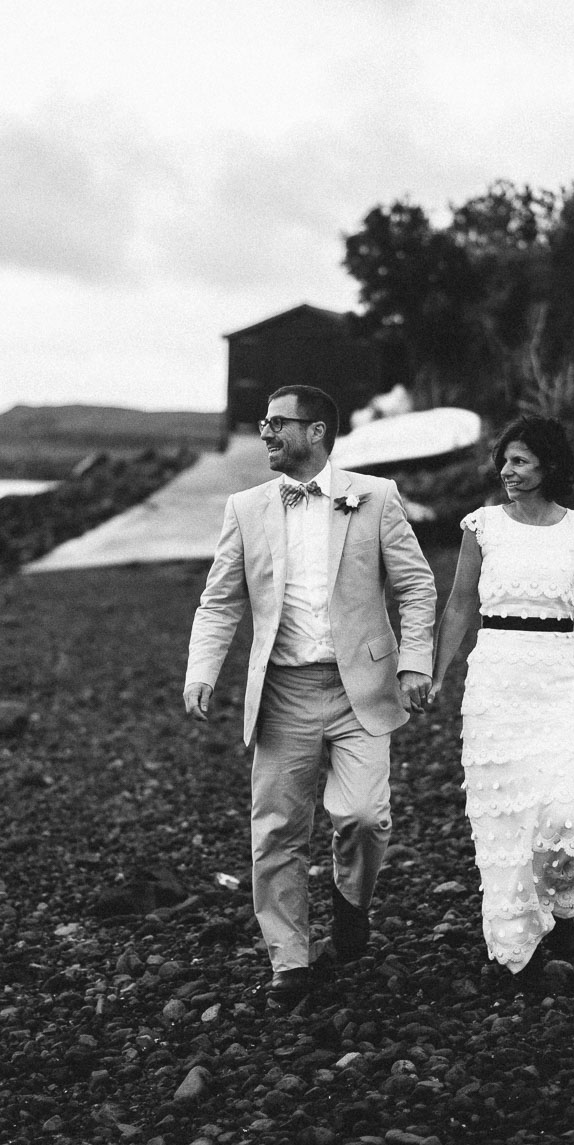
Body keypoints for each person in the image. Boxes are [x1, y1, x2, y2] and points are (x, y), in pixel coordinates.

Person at [183, 384, 437, 1003]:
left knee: (365, 817)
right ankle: (289, 960)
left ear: (316, 431)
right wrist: (202, 671)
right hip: (283, 692)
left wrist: (415, 662)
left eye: (277, 423)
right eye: (264, 424)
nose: (265, 433)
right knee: (276, 831)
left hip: (362, 688)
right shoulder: (245, 508)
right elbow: (219, 601)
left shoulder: (376, 497)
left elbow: (416, 586)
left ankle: (351, 904)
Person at [427, 414, 574, 977]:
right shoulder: (481, 527)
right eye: (505, 461)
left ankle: (564, 909)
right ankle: (517, 936)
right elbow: (459, 604)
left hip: (559, 679)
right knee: (506, 814)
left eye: (520, 461)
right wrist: (436, 674)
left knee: (563, 810)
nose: (508, 471)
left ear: (549, 467)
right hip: (495, 680)